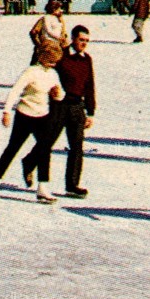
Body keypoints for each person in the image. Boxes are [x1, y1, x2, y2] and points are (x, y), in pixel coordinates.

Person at [0, 43, 65, 204]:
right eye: (51, 60)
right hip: (24, 114)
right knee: (13, 148)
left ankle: (43, 187)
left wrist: (58, 95)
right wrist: (7, 111)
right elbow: (15, 91)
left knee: (44, 150)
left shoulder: (53, 74)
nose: (53, 64)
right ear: (43, 57)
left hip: (43, 115)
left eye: (55, 61)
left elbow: (59, 95)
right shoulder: (31, 72)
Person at [47, 26, 96, 198]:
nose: (84, 44)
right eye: (81, 40)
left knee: (76, 147)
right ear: (73, 39)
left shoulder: (87, 59)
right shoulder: (61, 56)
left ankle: (72, 185)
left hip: (77, 106)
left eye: (87, 41)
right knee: (48, 141)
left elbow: (90, 85)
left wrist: (91, 112)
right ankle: (29, 162)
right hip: (60, 105)